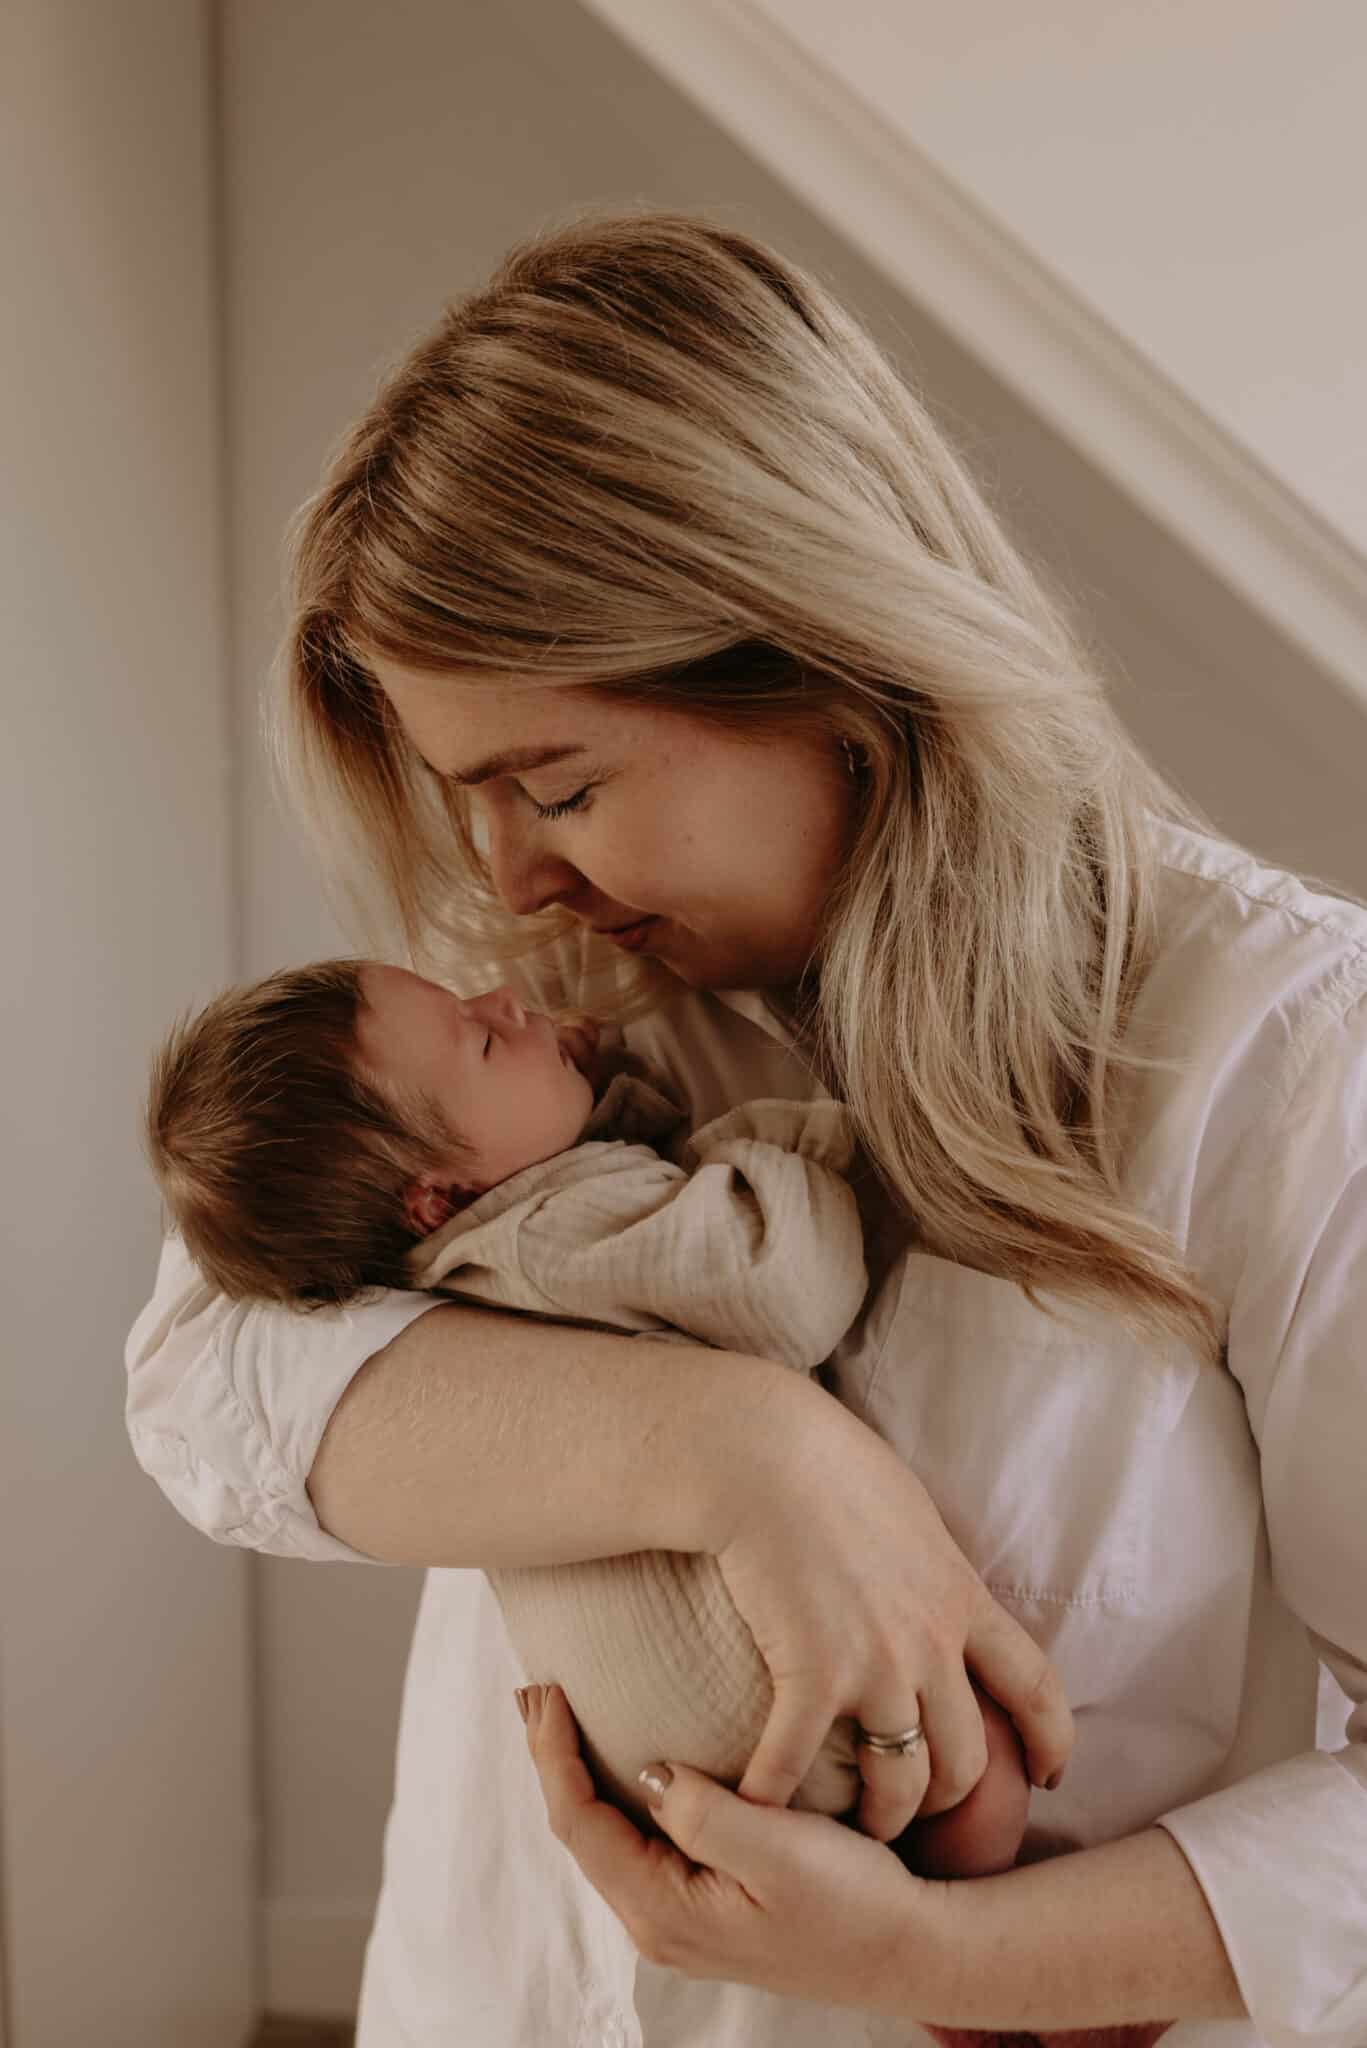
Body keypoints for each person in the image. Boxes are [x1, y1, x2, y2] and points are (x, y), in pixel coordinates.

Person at [124, 210, 1367, 2048]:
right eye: (466, 799)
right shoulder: (544, 1002)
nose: (503, 878)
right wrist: (744, 1454)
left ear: (826, 666)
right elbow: (205, 1378)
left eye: (557, 787)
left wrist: (935, 1960)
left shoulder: (1285, 1050)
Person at [143, 954, 1033, 1876]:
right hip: (775, 1693)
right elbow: (783, 1289)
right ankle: (962, 1937)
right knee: (985, 1765)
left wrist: (568, 1087)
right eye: (483, 1041)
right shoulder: (548, 1225)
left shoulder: (448, 1260)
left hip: (658, 1744)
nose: (505, 998)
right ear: (441, 1195)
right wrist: (794, 1141)